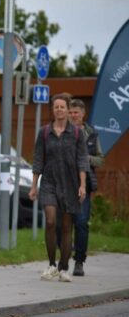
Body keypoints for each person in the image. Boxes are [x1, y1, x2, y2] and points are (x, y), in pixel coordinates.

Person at [29, 93, 89, 283]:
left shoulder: (78, 133)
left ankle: (64, 268)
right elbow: (38, 159)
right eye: (56, 107)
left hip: (70, 184)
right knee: (50, 221)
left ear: (67, 108)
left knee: (66, 227)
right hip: (49, 183)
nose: (60, 110)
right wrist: (33, 185)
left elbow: (82, 160)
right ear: (53, 110)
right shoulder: (44, 132)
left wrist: (82, 185)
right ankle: (51, 265)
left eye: (63, 107)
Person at [67, 98, 104, 276]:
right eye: (71, 112)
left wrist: (86, 158)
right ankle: (61, 257)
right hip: (64, 183)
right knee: (62, 224)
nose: (74, 115)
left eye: (76, 112)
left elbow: (100, 159)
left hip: (84, 186)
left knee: (81, 224)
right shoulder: (60, 131)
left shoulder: (92, 134)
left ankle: (79, 261)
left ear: (83, 114)